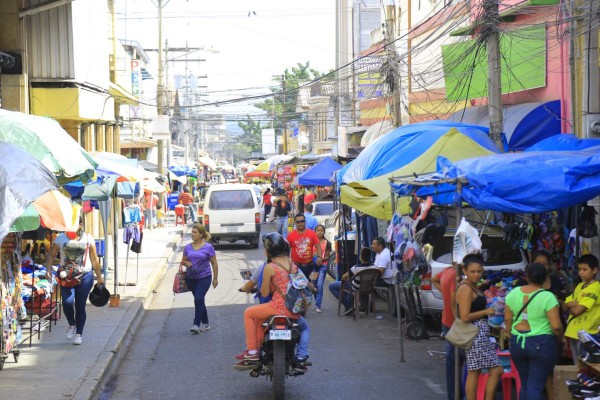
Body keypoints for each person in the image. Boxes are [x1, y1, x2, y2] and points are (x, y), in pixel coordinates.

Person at [238, 233, 305, 361]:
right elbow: (301, 285)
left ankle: (252, 351)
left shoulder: (269, 267)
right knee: (259, 320)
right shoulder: (293, 265)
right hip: (294, 309)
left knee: (248, 313)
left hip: (277, 308)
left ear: (269, 250)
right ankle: (301, 354)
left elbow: (264, 293)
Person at [504, 263, 564, 400]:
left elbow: (508, 319)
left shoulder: (513, 293)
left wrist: (509, 334)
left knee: (524, 384)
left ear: (527, 277)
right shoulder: (548, 297)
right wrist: (560, 338)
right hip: (541, 343)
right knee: (535, 386)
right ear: (545, 278)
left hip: (517, 341)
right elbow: (556, 326)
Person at [45, 221, 105, 345]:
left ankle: (79, 333)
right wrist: (48, 270)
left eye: (74, 223)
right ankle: (72, 324)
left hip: (85, 276)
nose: (71, 226)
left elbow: (94, 259)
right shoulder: (60, 239)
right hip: (66, 277)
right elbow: (51, 255)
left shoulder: (88, 238)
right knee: (67, 302)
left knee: (80, 304)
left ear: (81, 225)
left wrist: (100, 277)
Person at [456, 253, 502, 400]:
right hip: (474, 332)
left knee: (492, 370)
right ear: (465, 271)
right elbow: (464, 316)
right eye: (472, 271)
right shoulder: (465, 288)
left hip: (480, 332)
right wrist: (486, 311)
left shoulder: (473, 286)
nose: (476, 274)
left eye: (479, 271)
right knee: (476, 371)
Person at [432, 265, 463, 400]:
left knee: (453, 362)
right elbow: (453, 303)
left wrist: (443, 291)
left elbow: (434, 279)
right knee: (457, 363)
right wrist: (459, 323)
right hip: (453, 323)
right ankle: (456, 395)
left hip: (448, 321)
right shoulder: (454, 276)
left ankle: (455, 395)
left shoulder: (447, 271)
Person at [562, 253, 600, 364]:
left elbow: (576, 310)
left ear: (594, 270)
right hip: (574, 331)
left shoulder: (596, 288)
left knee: (585, 365)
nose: (581, 272)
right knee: (577, 364)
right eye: (579, 269)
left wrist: (572, 305)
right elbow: (564, 306)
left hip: (588, 333)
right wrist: (572, 304)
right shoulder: (579, 286)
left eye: (585, 269)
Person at [181, 224, 219, 333]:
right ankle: (206, 323)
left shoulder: (208, 247)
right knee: (200, 300)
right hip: (190, 278)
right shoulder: (187, 247)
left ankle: (196, 324)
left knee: (198, 299)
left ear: (201, 234)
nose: (192, 234)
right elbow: (183, 260)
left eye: (195, 232)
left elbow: (214, 263)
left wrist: (215, 278)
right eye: (192, 232)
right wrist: (186, 263)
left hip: (204, 277)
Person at [329, 247, 376, 315]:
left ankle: (347, 305)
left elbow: (343, 277)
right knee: (349, 283)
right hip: (369, 288)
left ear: (361, 257)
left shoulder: (356, 268)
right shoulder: (374, 267)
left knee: (332, 286)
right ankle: (350, 304)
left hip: (355, 288)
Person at [288, 213, 323, 279]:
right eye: (298, 222)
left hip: (311, 266)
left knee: (313, 286)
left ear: (305, 222)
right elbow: (287, 250)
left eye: (302, 221)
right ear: (295, 223)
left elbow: (318, 246)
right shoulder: (290, 235)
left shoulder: (312, 233)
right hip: (296, 267)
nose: (300, 223)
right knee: (298, 287)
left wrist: (320, 258)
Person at [313, 224, 331, 313]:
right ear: (315, 231)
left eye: (321, 231)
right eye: (318, 230)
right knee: (314, 285)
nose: (320, 232)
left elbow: (328, 256)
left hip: (322, 267)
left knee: (319, 285)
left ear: (324, 232)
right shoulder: (311, 242)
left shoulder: (327, 243)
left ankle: (318, 305)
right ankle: (317, 300)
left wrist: (320, 259)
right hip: (313, 267)